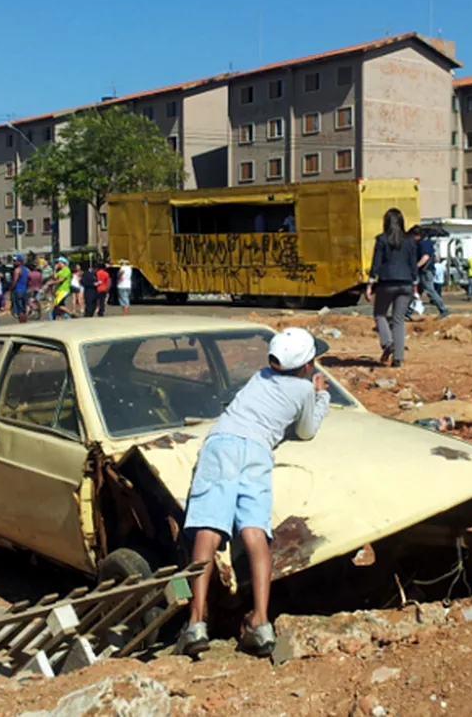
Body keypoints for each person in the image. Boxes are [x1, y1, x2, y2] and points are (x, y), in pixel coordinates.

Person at [175, 327, 331, 657]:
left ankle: (195, 621)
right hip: (258, 452)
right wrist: (320, 396)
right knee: (256, 532)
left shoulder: (260, 376)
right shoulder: (304, 390)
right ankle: (261, 622)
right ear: (306, 367)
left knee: (209, 528)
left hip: (221, 445)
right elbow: (306, 431)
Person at [365, 208, 418, 367]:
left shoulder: (381, 240)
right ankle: (398, 358)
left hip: (387, 282)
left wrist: (370, 284)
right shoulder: (410, 241)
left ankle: (388, 343)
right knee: (399, 319)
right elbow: (412, 264)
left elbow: (376, 264)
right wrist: (415, 284)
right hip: (407, 282)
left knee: (380, 314)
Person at [405, 226, 449, 320]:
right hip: (423, 271)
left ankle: (443, 310)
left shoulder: (424, 243)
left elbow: (425, 257)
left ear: (417, 235)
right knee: (417, 292)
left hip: (426, 270)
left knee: (430, 291)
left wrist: (415, 266)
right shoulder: (425, 242)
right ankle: (407, 313)